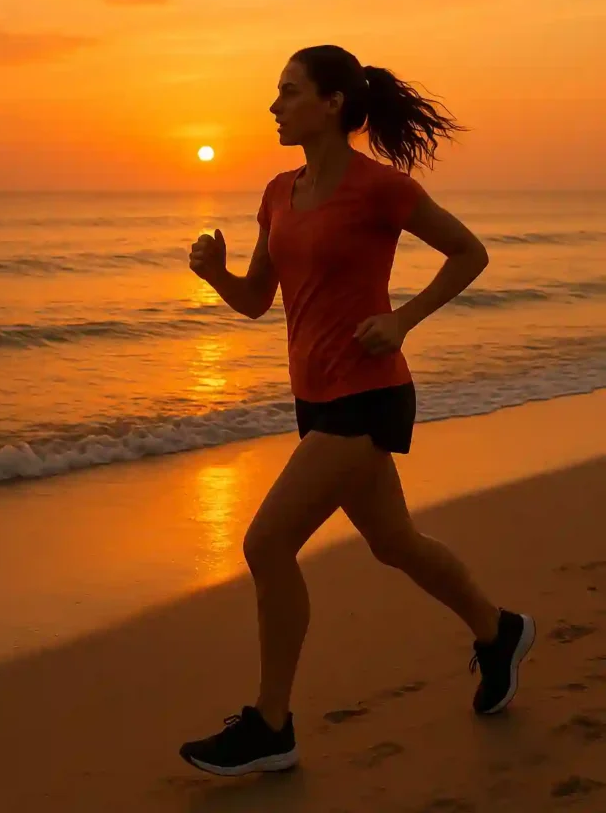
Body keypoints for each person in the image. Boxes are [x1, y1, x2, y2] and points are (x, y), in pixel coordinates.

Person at [180, 44, 535, 777]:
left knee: (266, 544)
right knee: (394, 543)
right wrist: (216, 275)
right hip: (314, 399)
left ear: (332, 102)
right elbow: (256, 302)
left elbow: (468, 253)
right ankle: (497, 630)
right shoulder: (277, 193)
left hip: (369, 394)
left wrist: (402, 320)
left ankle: (271, 725)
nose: (274, 105)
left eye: (289, 91)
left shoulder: (379, 188)